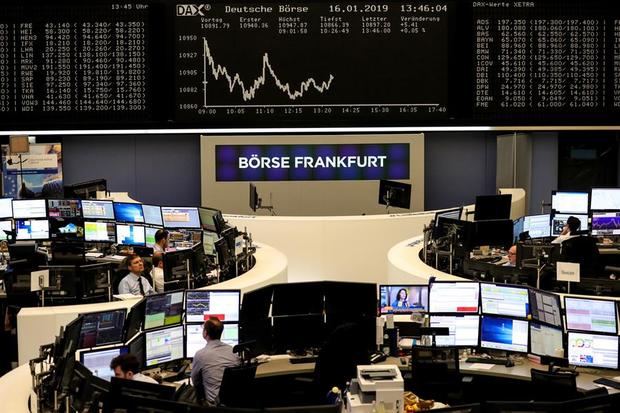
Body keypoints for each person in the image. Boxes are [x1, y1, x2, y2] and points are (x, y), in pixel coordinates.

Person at [191, 317, 241, 405]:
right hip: (235, 403)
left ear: (205, 333)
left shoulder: (200, 355)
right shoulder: (233, 351)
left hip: (214, 406)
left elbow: (195, 382)